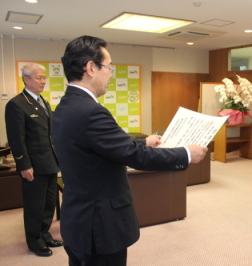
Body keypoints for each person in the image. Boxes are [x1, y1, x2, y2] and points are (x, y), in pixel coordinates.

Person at [52, 35, 208, 266]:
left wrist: (144, 142)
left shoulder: (65, 106)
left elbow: (100, 145)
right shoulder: (91, 112)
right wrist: (186, 153)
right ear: (90, 68)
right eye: (109, 66)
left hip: (78, 219)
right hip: (99, 224)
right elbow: (136, 158)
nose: (111, 73)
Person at [5, 63, 63, 257]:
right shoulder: (16, 104)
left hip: (49, 162)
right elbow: (16, 139)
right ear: (26, 79)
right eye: (39, 77)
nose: (43, 81)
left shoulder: (42, 102)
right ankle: (34, 241)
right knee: (34, 205)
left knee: (48, 204)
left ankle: (44, 234)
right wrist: (24, 164)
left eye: (44, 77)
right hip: (33, 166)